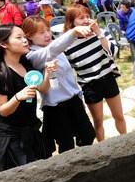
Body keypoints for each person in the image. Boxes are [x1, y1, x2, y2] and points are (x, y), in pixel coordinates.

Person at [0, 25, 55, 172]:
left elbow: (43, 88)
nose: (25, 40)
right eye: (18, 37)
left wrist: (47, 73)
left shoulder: (25, 63)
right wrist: (17, 97)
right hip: (12, 140)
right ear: (3, 44)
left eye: (24, 37)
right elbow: (3, 111)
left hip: (31, 132)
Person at [22, 16, 96, 154]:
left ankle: (84, 162)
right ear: (29, 36)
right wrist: (73, 32)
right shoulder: (32, 56)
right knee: (66, 144)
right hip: (56, 107)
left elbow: (65, 66)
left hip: (73, 100)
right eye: (41, 32)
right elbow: (51, 51)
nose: (47, 35)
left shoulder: (54, 44)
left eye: (48, 30)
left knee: (88, 135)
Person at [63, 5, 126, 142]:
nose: (86, 20)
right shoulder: (68, 44)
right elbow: (67, 68)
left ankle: (126, 141)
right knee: (98, 121)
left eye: (87, 16)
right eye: (81, 18)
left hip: (108, 77)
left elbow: (113, 53)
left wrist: (99, 33)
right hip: (89, 85)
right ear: (71, 22)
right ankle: (102, 150)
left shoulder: (101, 32)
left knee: (119, 116)